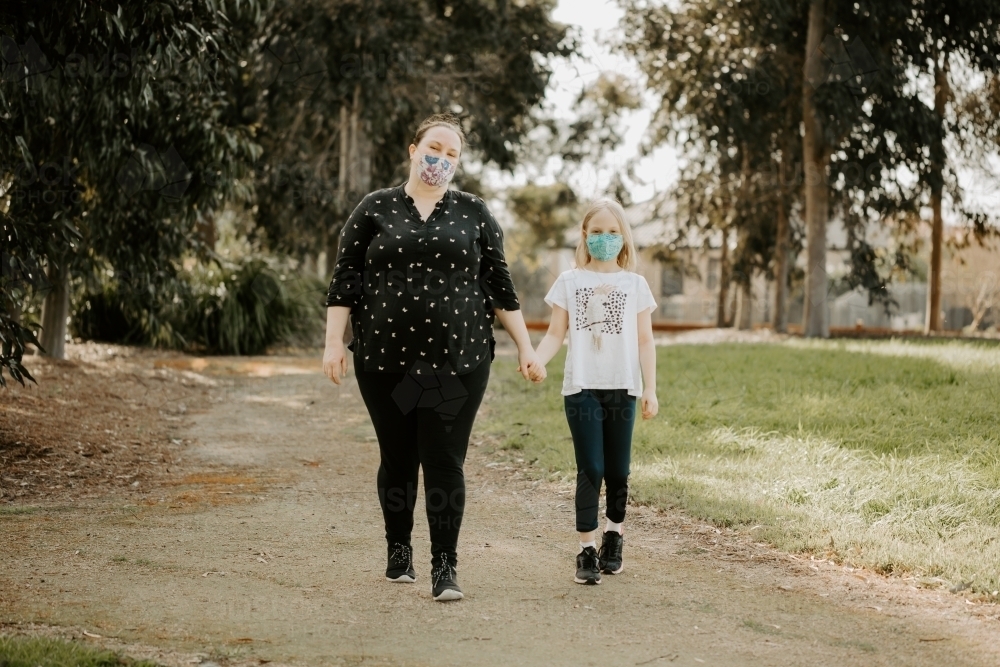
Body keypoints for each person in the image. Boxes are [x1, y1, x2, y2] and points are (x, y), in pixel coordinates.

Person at [322, 114, 542, 602]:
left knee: (444, 459)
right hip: (385, 361)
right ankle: (399, 551)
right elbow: (346, 278)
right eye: (434, 148)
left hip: (456, 360)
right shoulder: (374, 208)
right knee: (397, 458)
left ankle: (446, 563)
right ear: (412, 149)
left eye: (452, 154)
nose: (441, 160)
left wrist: (526, 347)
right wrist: (334, 341)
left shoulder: (473, 212)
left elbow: (500, 287)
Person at [529, 197, 659, 585]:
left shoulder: (635, 284)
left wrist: (650, 388)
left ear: (624, 238)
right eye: (598, 231)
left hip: (623, 388)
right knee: (592, 469)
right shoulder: (569, 281)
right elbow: (556, 333)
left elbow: (645, 341)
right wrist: (538, 360)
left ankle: (613, 537)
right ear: (585, 235)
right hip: (582, 387)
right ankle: (586, 550)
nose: (605, 238)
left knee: (618, 472)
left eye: (613, 232)